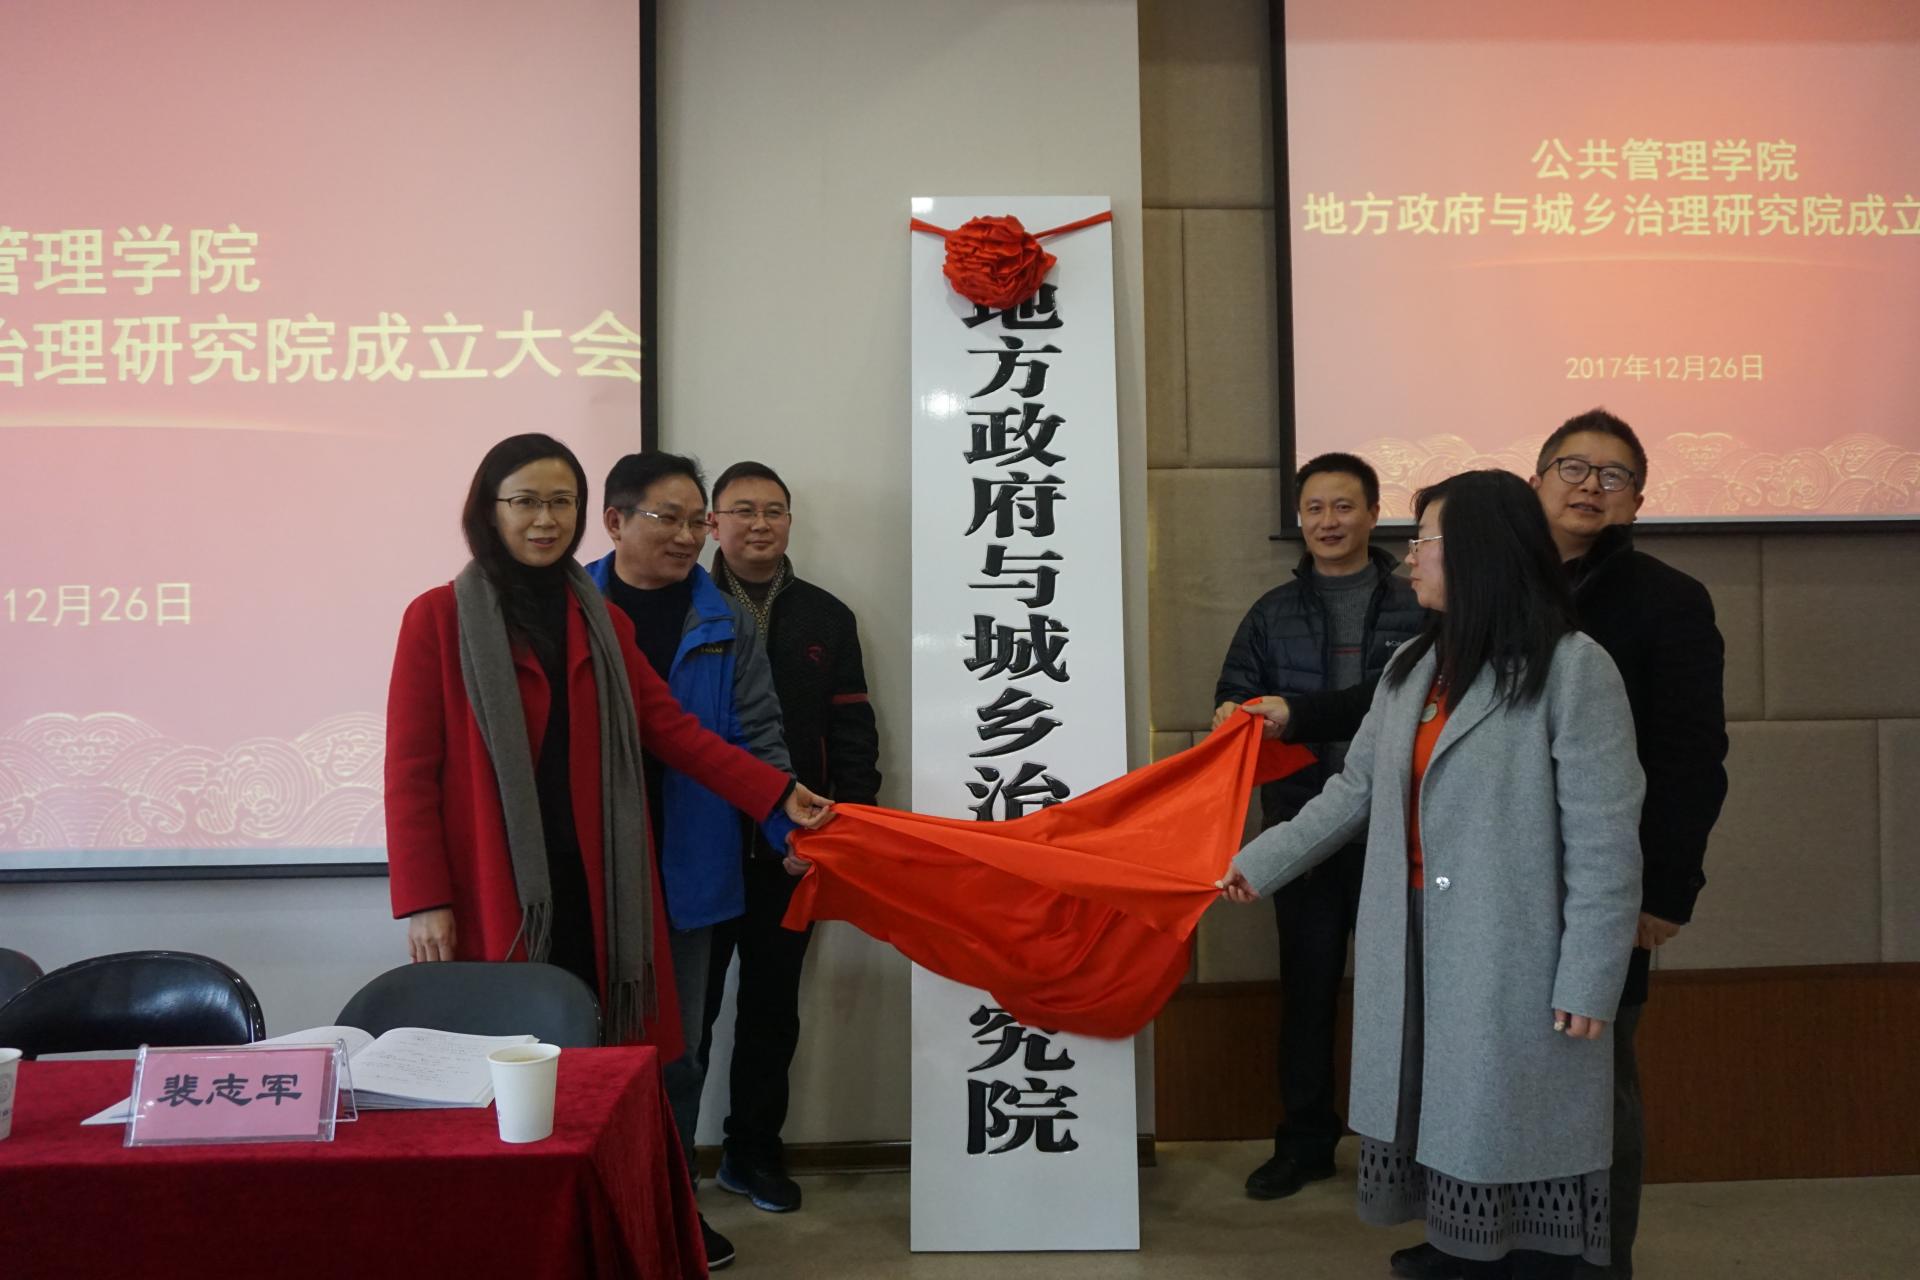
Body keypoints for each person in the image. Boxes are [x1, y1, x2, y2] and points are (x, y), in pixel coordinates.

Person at [1258, 413, 1728, 1280]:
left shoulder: (1576, 666)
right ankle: (1461, 1247)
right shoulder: (1414, 667)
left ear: (1475, 553)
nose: (1408, 559)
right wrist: (1249, 871)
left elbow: (1604, 836)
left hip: (1517, 945)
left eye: (1424, 542)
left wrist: (1591, 972)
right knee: (1447, 1114)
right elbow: (1354, 793)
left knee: (1525, 1128)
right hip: (1416, 935)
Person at [382, 431, 832, 1069]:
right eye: (526, 502)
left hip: (597, 883)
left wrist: (777, 792)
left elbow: (674, 731)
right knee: (501, 1063)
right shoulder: (437, 619)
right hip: (492, 882)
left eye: (562, 502)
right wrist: (426, 901)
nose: (546, 520)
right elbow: (409, 775)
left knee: (597, 1060)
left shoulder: (601, 621)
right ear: (489, 510)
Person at [584, 450, 793, 1270]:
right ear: (615, 521)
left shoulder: (725, 619)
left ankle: (670, 1207)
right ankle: (587, 1209)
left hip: (691, 864)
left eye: (693, 521)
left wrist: (789, 832)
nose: (684, 536)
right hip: (587, 869)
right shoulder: (571, 607)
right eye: (664, 518)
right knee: (577, 1042)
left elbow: (758, 735)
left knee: (679, 1052)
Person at [1208, 451, 1424, 1201]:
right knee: (1305, 995)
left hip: (1403, 833)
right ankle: (1304, 1144)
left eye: (1344, 506)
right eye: (1314, 509)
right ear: (1299, 520)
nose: (1328, 521)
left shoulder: (1421, 605)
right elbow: (1234, 696)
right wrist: (1232, 714)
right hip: (1302, 830)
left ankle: (1409, 1148)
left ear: (1373, 515)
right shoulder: (1272, 613)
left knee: (1406, 997)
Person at [697, 460, 882, 1214]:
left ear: (790, 521)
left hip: (794, 852)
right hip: (702, 849)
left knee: (772, 1011)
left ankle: (753, 1154)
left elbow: (854, 732)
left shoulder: (826, 616)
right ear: (713, 523)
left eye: (774, 510)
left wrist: (848, 831)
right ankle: (668, 1162)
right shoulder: (685, 605)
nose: (760, 524)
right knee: (691, 1015)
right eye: (743, 510)